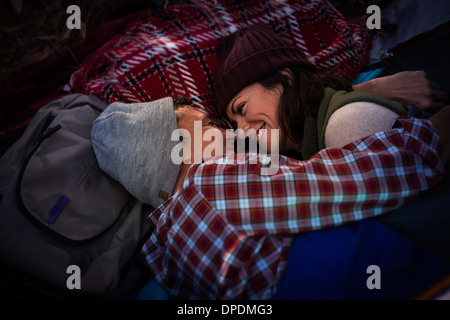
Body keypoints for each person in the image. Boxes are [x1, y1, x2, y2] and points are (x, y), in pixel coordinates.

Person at [91, 93, 450, 299]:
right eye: (207, 123)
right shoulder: (210, 181)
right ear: (177, 144)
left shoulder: (161, 251)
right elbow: (359, 178)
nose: (226, 131)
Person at [213, 23, 448, 160]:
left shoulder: (347, 126)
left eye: (241, 108)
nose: (242, 132)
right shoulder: (313, 138)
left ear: (285, 78)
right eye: (234, 124)